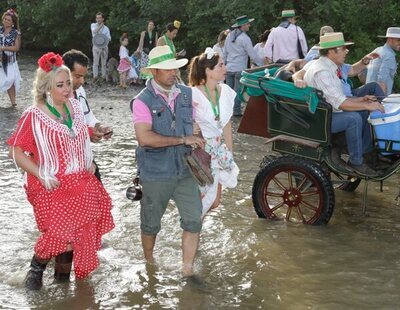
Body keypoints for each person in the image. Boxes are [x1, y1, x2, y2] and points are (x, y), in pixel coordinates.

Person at [7, 52, 114, 290]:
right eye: (60, 85)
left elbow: (74, 133)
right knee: (60, 235)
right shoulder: (34, 115)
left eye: (68, 83)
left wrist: (91, 134)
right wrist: (41, 173)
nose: (67, 89)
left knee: (76, 237)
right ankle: (36, 268)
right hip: (49, 184)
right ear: (46, 88)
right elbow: (15, 152)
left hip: (79, 180)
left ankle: (62, 283)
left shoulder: (74, 107)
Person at [131, 46, 205, 277]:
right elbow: (144, 138)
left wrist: (197, 132)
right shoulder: (141, 101)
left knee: (193, 220)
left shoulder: (186, 94)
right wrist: (184, 138)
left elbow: (194, 129)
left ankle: (187, 270)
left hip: (185, 170)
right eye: (167, 69)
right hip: (155, 173)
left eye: (175, 68)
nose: (174, 73)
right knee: (151, 224)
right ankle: (149, 263)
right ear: (154, 71)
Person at [301, 32, 384, 175]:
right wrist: (368, 105)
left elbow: (338, 97)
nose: (347, 51)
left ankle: (362, 153)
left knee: (361, 111)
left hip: (326, 112)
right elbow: (340, 103)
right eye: (343, 48)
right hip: (321, 120)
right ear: (332, 51)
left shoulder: (330, 65)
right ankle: (356, 162)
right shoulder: (323, 72)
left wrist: (361, 100)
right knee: (354, 118)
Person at [188, 47, 239, 216]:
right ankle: (192, 231)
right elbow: (180, 119)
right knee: (204, 200)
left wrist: (230, 150)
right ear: (208, 71)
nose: (225, 69)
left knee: (215, 202)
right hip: (200, 152)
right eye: (221, 65)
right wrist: (191, 126)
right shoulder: (193, 94)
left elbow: (226, 124)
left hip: (218, 151)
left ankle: (193, 229)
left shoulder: (225, 91)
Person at [62, 49, 113, 181]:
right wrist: (88, 133)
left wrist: (99, 127)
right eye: (78, 76)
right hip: (63, 160)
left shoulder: (80, 91)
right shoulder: (52, 98)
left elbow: (88, 116)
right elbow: (59, 130)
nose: (82, 81)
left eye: (84, 76)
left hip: (83, 154)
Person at [223, 15, 262, 116]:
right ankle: (236, 110)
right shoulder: (245, 38)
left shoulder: (229, 36)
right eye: (248, 23)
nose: (249, 25)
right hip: (240, 68)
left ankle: (226, 111)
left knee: (228, 92)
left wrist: (223, 65)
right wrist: (262, 64)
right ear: (243, 25)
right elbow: (252, 54)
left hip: (229, 68)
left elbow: (225, 52)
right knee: (237, 91)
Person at [366, 27, 400, 95]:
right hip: (377, 99)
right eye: (399, 40)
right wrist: (382, 101)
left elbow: (361, 73)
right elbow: (382, 81)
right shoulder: (389, 56)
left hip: (368, 97)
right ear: (390, 39)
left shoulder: (377, 50)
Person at [0, 9, 21, 106]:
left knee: (10, 81)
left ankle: (13, 103)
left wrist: (3, 48)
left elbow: (16, 48)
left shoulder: (16, 33)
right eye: (5, 19)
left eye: (9, 20)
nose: (6, 21)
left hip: (10, 62)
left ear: (13, 22)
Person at [91, 12, 111, 81]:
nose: (98, 19)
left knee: (104, 63)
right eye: (97, 18)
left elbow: (109, 38)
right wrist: (100, 26)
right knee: (95, 62)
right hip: (96, 46)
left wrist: (104, 40)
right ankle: (95, 77)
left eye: (100, 18)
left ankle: (103, 77)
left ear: (103, 19)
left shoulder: (106, 28)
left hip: (104, 46)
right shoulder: (93, 25)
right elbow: (94, 31)